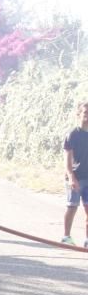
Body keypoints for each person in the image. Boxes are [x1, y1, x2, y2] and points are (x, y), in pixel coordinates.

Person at [62, 101, 88, 246]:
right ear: (79, 114)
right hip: (75, 177)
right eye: (85, 113)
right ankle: (66, 237)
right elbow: (67, 159)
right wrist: (72, 177)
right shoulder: (73, 134)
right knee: (72, 206)